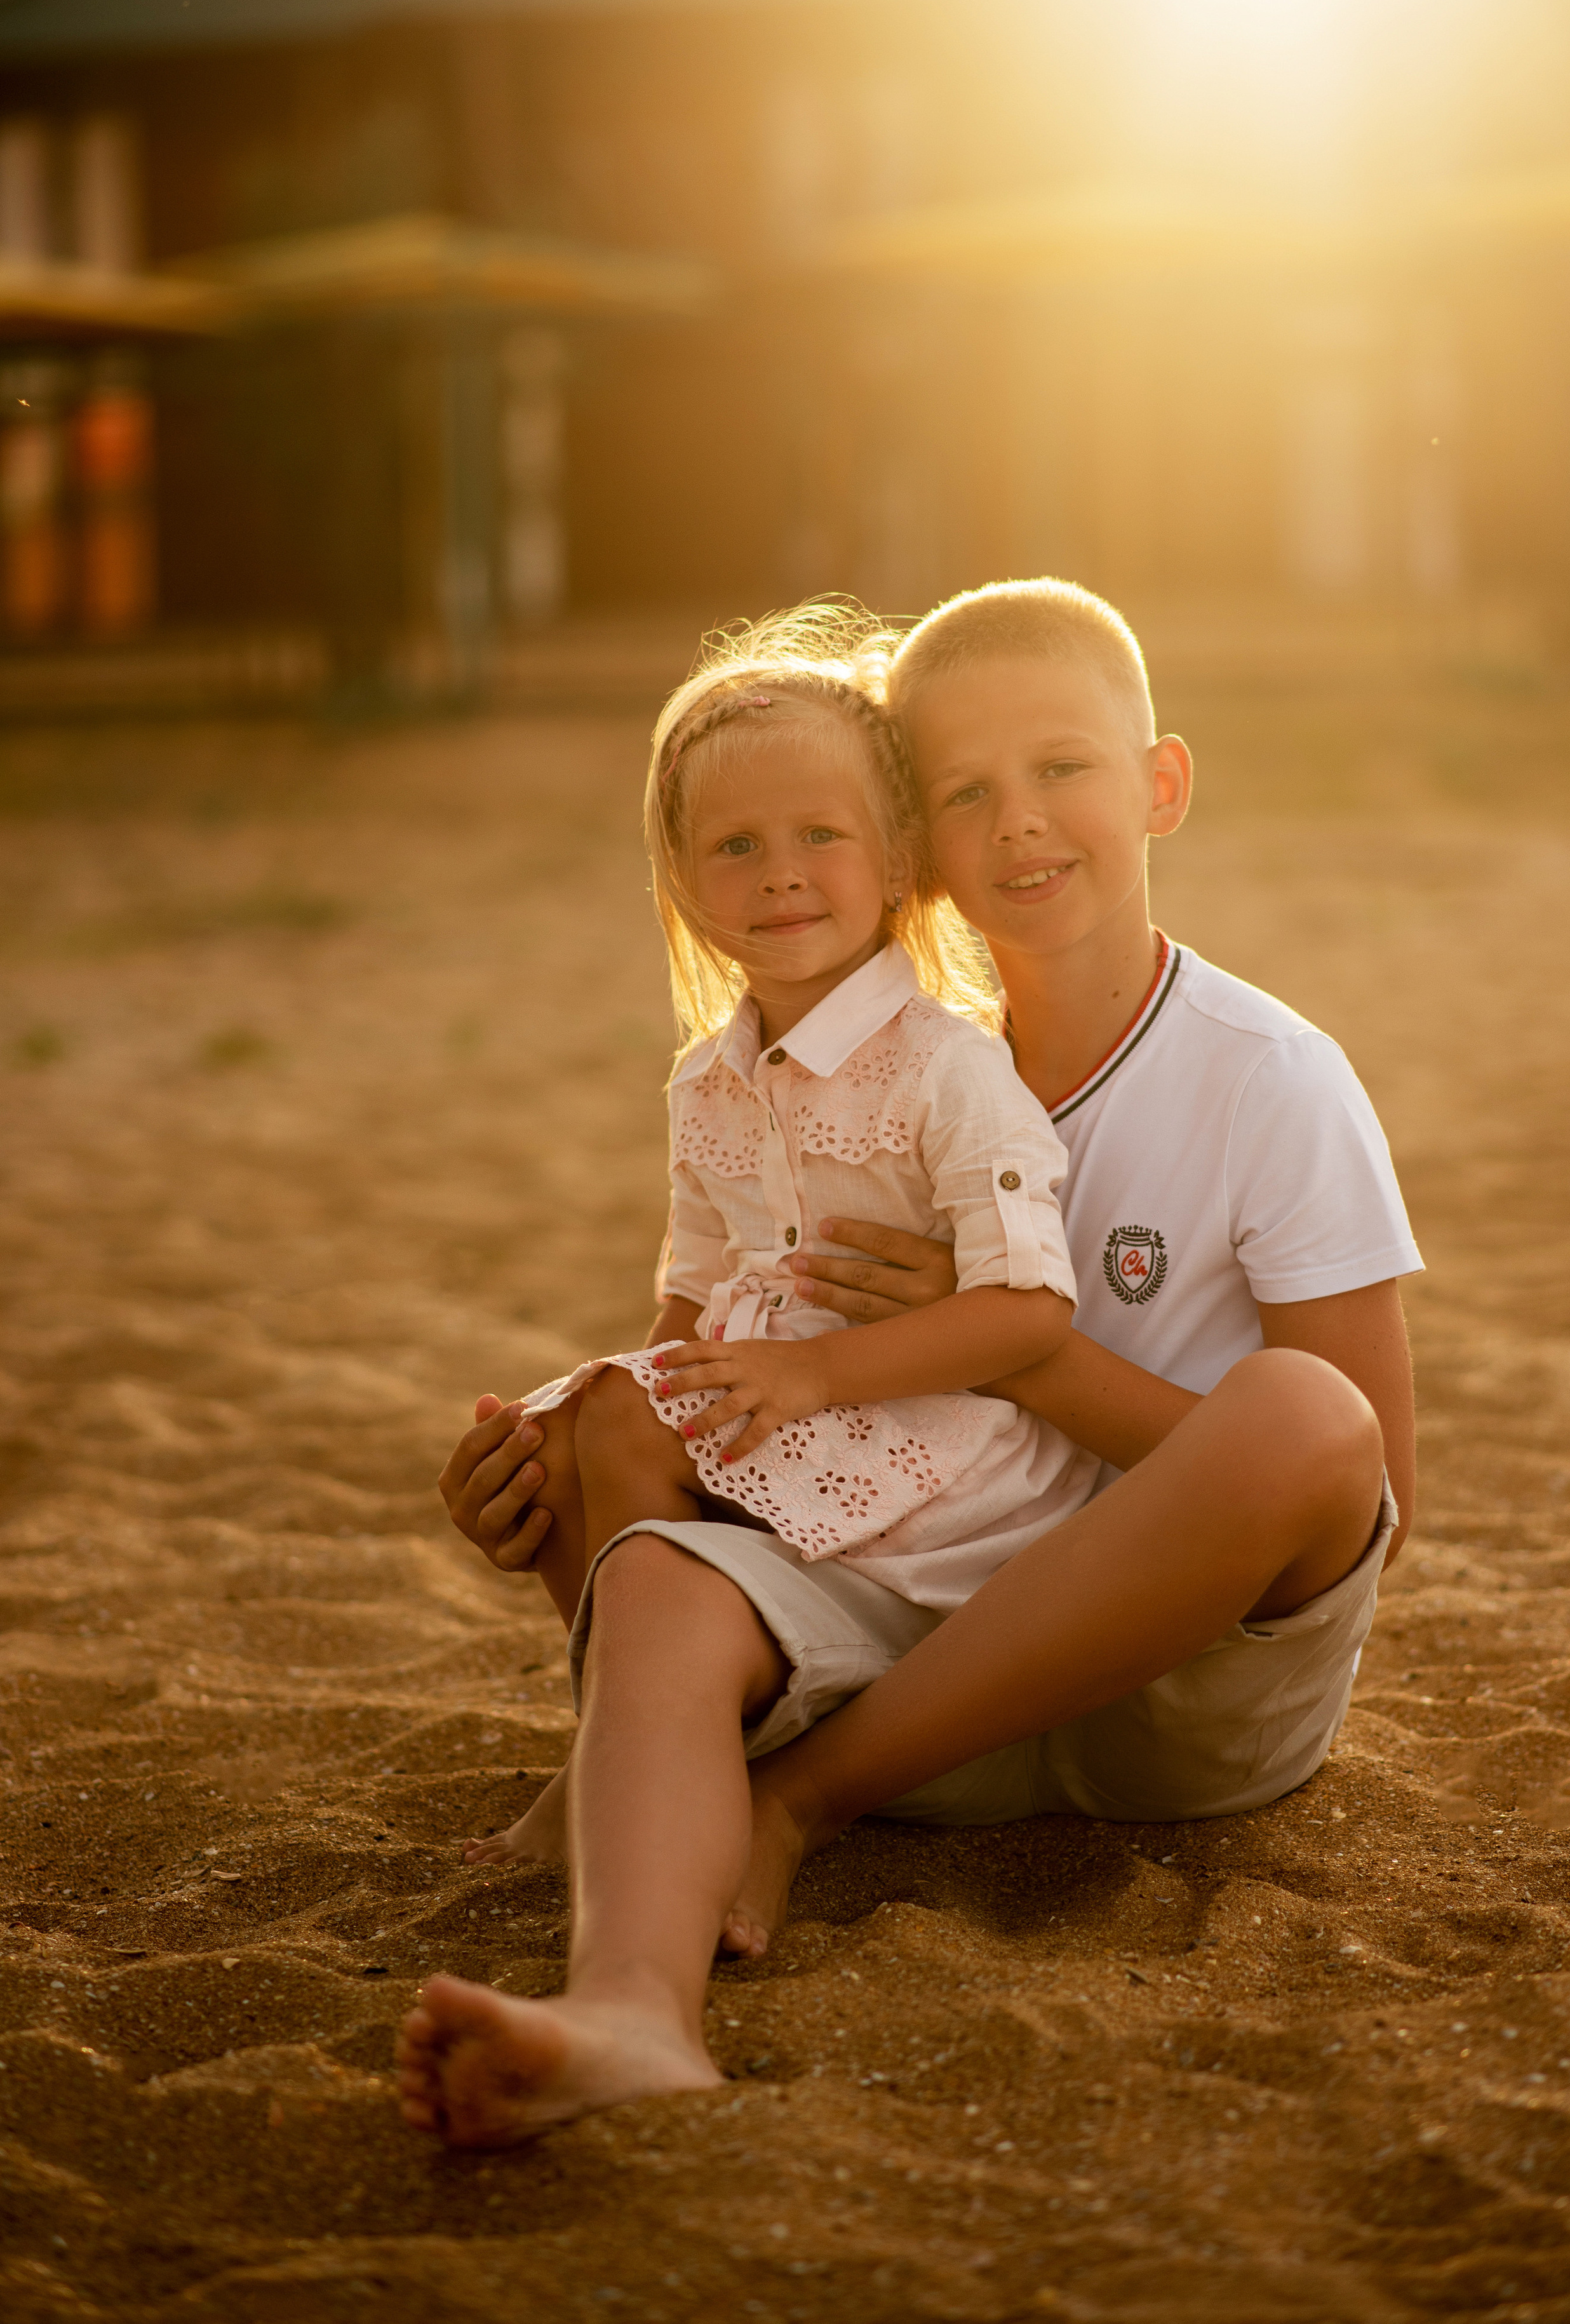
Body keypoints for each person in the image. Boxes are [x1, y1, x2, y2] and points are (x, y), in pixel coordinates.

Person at [405, 579, 1418, 2144]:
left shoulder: (1267, 1079)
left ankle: (793, 1803)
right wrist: (553, 1451)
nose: (1018, 823)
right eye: (963, 793)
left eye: (1063, 770)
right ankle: (628, 2006)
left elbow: (1370, 1498)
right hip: (920, 1625)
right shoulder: (865, 1068)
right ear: (917, 847)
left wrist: (1007, 1349)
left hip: (1174, 1704)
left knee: (1300, 1413)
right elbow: (732, 1360)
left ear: (1158, 785)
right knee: (616, 1452)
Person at [399, 601, 1106, 2141]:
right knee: (580, 1416)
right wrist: (575, 1434)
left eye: (819, 837)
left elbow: (1030, 1319)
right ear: (677, 878)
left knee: (630, 1421)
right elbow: (687, 1299)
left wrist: (819, 1375)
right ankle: (630, 1741)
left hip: (946, 1466)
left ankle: (640, 1754)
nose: (779, 874)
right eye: (731, 849)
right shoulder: (706, 1080)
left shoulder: (946, 1065)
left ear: (900, 861)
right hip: (791, 1421)